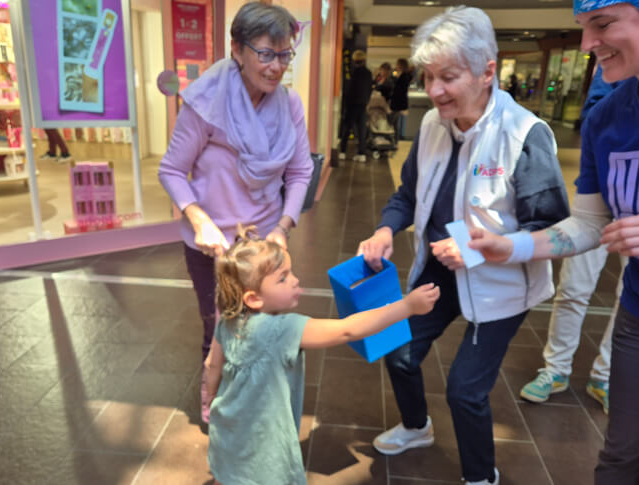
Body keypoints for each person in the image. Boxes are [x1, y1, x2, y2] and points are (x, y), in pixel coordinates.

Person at [468, 1, 639, 482]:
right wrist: (514, 247)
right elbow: (590, 223)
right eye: (584, 28)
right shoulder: (606, 119)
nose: (588, 44)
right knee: (620, 455)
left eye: (603, 24)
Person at [356, 7, 570, 484]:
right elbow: (408, 194)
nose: (434, 91)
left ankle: (480, 476)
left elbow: (554, 232)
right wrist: (387, 229)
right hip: (440, 269)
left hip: (501, 283)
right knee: (398, 350)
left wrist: (479, 250)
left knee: (464, 391)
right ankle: (417, 427)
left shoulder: (524, 135)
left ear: (487, 72)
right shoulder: (434, 126)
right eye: (428, 77)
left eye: (448, 77)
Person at [158, 1, 314, 423]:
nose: (276, 67)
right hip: (211, 244)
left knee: (262, 326)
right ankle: (217, 405)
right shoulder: (206, 103)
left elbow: (300, 171)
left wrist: (283, 226)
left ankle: (257, 402)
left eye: (284, 55)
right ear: (237, 50)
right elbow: (171, 170)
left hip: (262, 243)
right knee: (220, 328)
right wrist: (199, 219)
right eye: (265, 54)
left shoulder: (289, 104)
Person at [205, 228, 440, 485]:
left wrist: (209, 398)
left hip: (227, 427)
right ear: (253, 298)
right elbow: (347, 329)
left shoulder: (226, 321)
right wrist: (407, 306)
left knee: (229, 473)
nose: (295, 280)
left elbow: (212, 365)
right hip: (264, 447)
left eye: (291, 272)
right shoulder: (283, 330)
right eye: (283, 278)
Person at [520, 66, 624, 414]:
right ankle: (556, 369)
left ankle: (605, 376)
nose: (593, 43)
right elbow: (594, 114)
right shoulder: (612, 67)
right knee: (573, 287)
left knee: (630, 297)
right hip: (600, 192)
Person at [338, 50, 372, 162]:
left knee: (347, 128)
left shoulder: (353, 73)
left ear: (354, 60)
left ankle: (342, 152)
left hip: (352, 104)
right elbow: (369, 89)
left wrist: (345, 105)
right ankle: (361, 153)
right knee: (361, 130)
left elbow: (349, 90)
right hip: (363, 104)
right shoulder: (368, 73)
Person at [390, 58, 412, 142]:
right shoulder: (405, 75)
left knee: (394, 122)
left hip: (398, 102)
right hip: (399, 102)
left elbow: (399, 89)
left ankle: (394, 140)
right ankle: (395, 140)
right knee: (395, 122)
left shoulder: (404, 76)